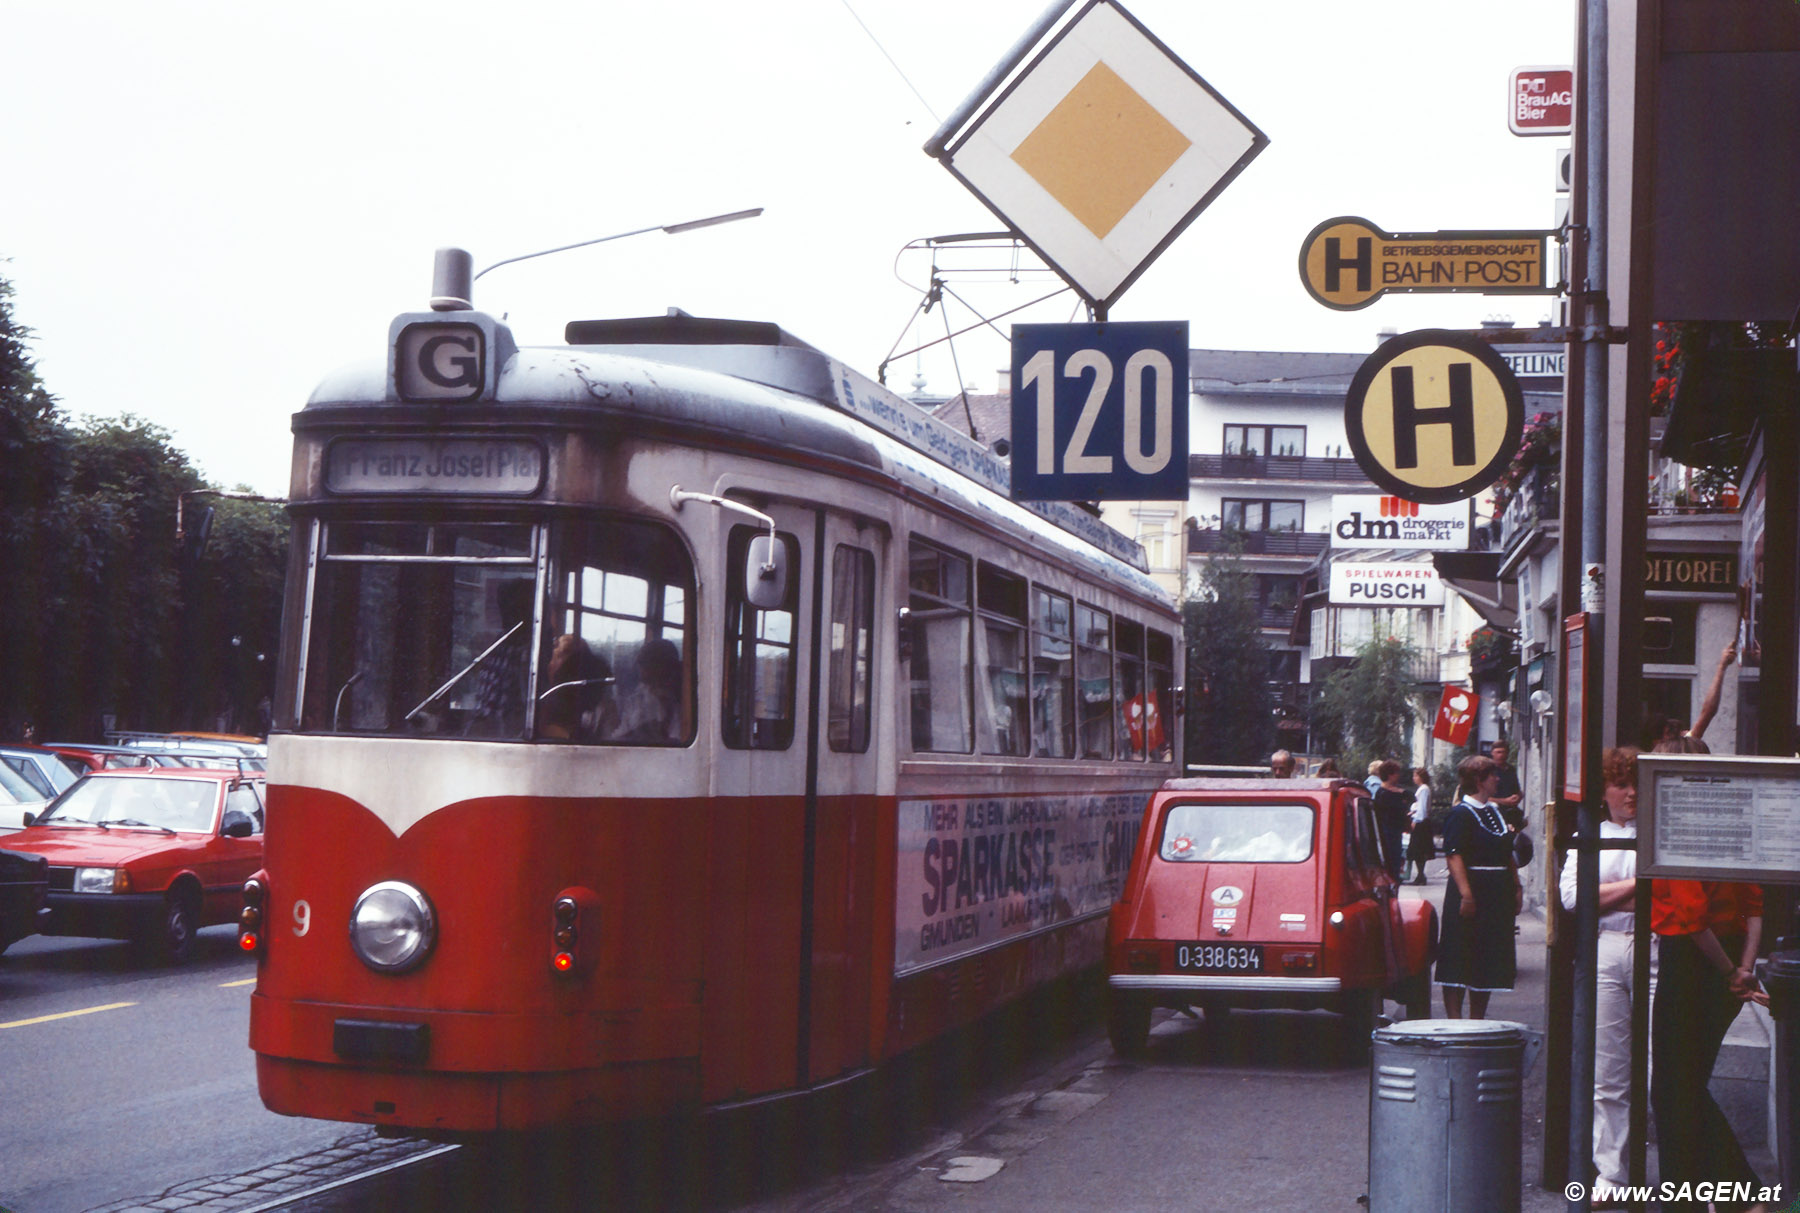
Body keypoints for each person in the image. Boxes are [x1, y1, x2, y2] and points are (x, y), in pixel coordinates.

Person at [1560, 747, 1652, 1195]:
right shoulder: (1588, 836)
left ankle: (1684, 1172)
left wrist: (1606, 892)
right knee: (1608, 1069)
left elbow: (1670, 897)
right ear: (1605, 792)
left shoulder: (1657, 832)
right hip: (1608, 946)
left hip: (1657, 946)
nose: (1631, 792)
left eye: (1636, 782)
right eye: (1621, 783)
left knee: (1662, 1066)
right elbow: (1576, 899)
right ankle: (1612, 1176)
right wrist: (1643, 885)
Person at [1650, 874, 1768, 1212]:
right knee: (1683, 1089)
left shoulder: (1683, 833)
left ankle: (1742, 1200)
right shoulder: (1734, 843)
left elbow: (1692, 918)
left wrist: (1732, 973)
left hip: (1691, 958)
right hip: (1730, 952)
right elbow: (1754, 907)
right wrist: (1744, 967)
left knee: (1674, 1091)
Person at [1434, 754, 1520, 1019]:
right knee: (1460, 955)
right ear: (1479, 780)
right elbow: (1454, 855)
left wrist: (1516, 887)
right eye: (1493, 775)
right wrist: (1467, 895)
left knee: (1486, 957)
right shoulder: (1460, 813)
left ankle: (1477, 1021)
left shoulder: (1495, 811)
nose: (1497, 779)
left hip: (1496, 892)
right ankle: (1455, 1022)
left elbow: (1508, 852)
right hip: (1471, 890)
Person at [466, 579, 534, 737]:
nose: (505, 612)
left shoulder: (532, 652)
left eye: (514, 607)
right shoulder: (499, 643)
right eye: (503, 605)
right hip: (482, 737)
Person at [610, 636, 684, 743]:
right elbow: (619, 736)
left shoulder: (684, 699)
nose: (642, 670)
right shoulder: (637, 699)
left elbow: (678, 738)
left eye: (648, 663)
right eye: (641, 664)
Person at [1370, 759, 1411, 882]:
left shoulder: (1396, 792)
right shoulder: (1383, 794)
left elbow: (1410, 797)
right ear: (1390, 774)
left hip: (1396, 832)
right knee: (1391, 864)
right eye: (1396, 773)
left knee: (1396, 863)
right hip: (1388, 833)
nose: (1399, 775)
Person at [1405, 767, 1434, 884]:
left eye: (1416, 776)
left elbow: (1422, 808)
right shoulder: (1423, 789)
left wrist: (1415, 821)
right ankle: (1420, 875)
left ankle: (1421, 875)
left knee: (1419, 849)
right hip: (1421, 820)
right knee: (1418, 849)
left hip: (1420, 823)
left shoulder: (1423, 789)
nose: (1414, 778)